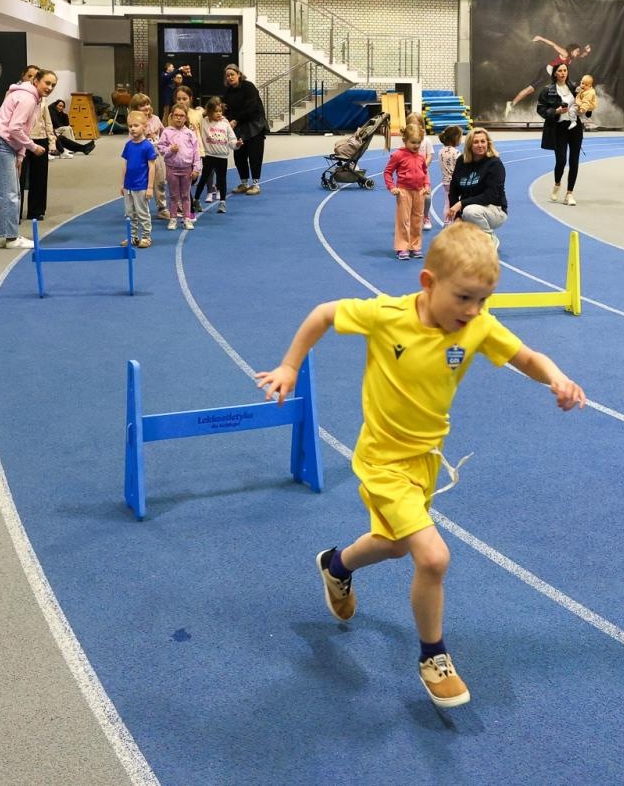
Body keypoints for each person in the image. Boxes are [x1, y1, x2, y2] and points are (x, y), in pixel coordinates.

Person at [254, 222, 585, 709]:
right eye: (465, 298)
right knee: (432, 557)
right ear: (427, 283)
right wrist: (289, 366)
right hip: (382, 460)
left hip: (425, 461)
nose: (473, 311)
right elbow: (323, 315)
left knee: (390, 546)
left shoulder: (477, 327)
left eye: (483, 300)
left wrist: (556, 377)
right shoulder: (386, 315)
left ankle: (336, 565)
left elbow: (528, 357)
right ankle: (434, 656)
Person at [0, 68, 55, 249]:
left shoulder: (29, 97)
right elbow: (15, 128)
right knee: (11, 194)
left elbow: (22, 128)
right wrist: (33, 146)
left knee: (7, 193)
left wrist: (21, 156)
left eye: (53, 85)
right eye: (47, 83)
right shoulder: (28, 99)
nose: (50, 87)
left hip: (1, 143)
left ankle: (7, 234)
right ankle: (11, 238)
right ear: (36, 81)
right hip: (0, 143)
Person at [445, 127, 507, 248]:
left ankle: (489, 237)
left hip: (494, 209)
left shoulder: (495, 164)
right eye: (476, 142)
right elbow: (453, 190)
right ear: (469, 145)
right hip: (469, 208)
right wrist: (457, 217)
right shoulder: (461, 161)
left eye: (483, 141)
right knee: (453, 241)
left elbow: (491, 195)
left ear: (488, 143)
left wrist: (461, 204)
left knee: (470, 212)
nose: (480, 145)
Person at [506, 35, 592, 115]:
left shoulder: (572, 56)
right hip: (546, 73)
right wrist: (540, 38)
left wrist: (587, 52)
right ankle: (511, 104)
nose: (578, 53)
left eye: (578, 52)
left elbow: (582, 55)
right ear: (572, 50)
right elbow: (553, 45)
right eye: (577, 51)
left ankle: (570, 111)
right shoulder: (565, 53)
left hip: (554, 76)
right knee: (530, 89)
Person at [537, 62, 583, 206]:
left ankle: (569, 194)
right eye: (560, 71)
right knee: (561, 160)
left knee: (574, 161)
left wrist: (583, 109)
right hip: (559, 128)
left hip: (575, 128)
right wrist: (555, 111)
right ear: (555, 73)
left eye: (565, 70)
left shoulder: (575, 88)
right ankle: (557, 184)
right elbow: (540, 109)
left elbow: (586, 105)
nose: (563, 73)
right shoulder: (547, 90)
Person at [384, 124, 430, 260]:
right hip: (404, 191)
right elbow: (387, 172)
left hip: (419, 192)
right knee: (403, 220)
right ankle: (402, 247)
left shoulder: (421, 157)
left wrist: (426, 185)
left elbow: (425, 172)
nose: (416, 145)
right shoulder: (398, 155)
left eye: (418, 142)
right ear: (405, 141)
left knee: (417, 220)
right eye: (413, 142)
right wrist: (392, 187)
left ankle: (415, 246)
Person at [222, 65, 267, 195]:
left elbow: (251, 107)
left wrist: (235, 120)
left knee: (254, 156)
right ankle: (244, 183)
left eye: (232, 74)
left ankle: (255, 185)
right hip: (239, 127)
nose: (230, 77)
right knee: (239, 156)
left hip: (254, 126)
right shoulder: (228, 91)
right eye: (228, 75)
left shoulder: (249, 87)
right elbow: (224, 108)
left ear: (238, 74)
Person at [20, 68, 57, 222]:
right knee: (19, 178)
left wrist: (52, 142)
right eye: (30, 76)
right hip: (22, 139)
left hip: (40, 139)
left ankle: (36, 211)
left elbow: (47, 122)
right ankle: (15, 211)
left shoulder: (43, 99)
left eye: (52, 85)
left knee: (39, 177)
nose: (49, 87)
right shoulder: (19, 95)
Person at [158, 104, 202, 232]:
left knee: (185, 195)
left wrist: (196, 169)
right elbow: (160, 149)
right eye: (176, 115)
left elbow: (196, 152)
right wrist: (170, 150)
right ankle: (173, 218)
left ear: (185, 118)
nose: (178, 118)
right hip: (172, 168)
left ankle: (187, 218)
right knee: (173, 196)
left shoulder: (190, 133)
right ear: (171, 116)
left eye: (181, 116)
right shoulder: (166, 132)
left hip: (186, 169)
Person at [120, 109, 157, 246]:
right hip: (128, 186)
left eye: (136, 125)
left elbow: (152, 167)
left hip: (141, 185)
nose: (133, 129)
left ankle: (146, 236)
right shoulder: (128, 145)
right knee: (129, 213)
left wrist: (150, 187)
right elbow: (125, 164)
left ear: (144, 126)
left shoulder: (147, 146)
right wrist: (122, 184)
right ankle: (132, 236)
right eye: (130, 126)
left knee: (142, 213)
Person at [199, 97, 234, 214]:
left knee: (222, 179)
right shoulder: (205, 122)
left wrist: (236, 144)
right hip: (209, 155)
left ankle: (222, 202)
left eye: (220, 111)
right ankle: (196, 199)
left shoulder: (225, 124)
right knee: (204, 177)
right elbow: (198, 114)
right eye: (216, 111)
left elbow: (231, 140)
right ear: (209, 112)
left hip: (222, 157)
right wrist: (204, 111)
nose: (219, 113)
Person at [436, 125, 463, 221]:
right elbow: (460, 167)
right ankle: (456, 219)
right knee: (456, 202)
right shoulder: (456, 152)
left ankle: (447, 221)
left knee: (447, 202)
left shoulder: (440, 151)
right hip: (455, 182)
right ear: (455, 138)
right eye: (460, 137)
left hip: (445, 181)